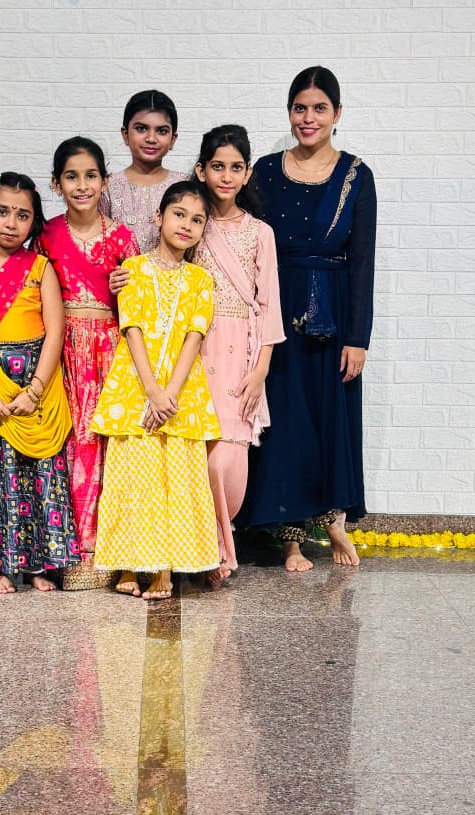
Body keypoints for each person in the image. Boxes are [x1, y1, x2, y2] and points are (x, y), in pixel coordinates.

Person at [241, 66, 377, 571]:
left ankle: (334, 523)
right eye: (300, 108)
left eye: (320, 108)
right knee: (285, 419)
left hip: (334, 311)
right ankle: (289, 535)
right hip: (276, 305)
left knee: (330, 415)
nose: (308, 118)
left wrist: (358, 337)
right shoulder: (266, 171)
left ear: (337, 114)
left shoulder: (357, 176)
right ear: (289, 112)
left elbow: (363, 260)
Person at [0, 173, 81, 593]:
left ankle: (42, 564)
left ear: (33, 221)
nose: (11, 223)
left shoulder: (40, 268)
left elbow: (55, 333)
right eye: (2, 212)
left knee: (41, 474)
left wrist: (36, 388)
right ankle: (2, 566)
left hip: (36, 385)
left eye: (23, 215)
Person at [90, 181, 221, 600]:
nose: (187, 225)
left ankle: (164, 569)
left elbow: (194, 338)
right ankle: (129, 564)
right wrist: (151, 390)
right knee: (132, 476)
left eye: (197, 219)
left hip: (181, 393)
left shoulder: (202, 280)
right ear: (159, 218)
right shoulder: (134, 270)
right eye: (179, 214)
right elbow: (133, 330)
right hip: (136, 386)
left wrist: (170, 394)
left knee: (176, 479)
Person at [37, 137, 139, 589]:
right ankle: (67, 551)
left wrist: (127, 284)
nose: (82, 185)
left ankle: (110, 552)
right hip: (60, 351)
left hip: (110, 352)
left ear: (104, 180)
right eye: (71, 176)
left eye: (91, 175)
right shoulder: (46, 235)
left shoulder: (121, 237)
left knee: (106, 445)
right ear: (57, 183)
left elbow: (140, 306)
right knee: (68, 444)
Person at [192, 125, 285, 587]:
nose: (226, 176)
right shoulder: (189, 222)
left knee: (228, 459)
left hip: (242, 352)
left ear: (247, 173)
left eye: (235, 167)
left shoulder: (260, 233)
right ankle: (207, 550)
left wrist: (261, 369)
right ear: (201, 170)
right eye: (217, 166)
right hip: (195, 348)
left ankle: (221, 538)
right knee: (199, 454)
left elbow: (269, 303)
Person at [99, 89, 185, 253]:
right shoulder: (108, 187)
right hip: (122, 277)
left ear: (173, 139)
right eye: (141, 128)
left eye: (161, 131)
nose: (151, 138)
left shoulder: (185, 185)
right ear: (125, 134)